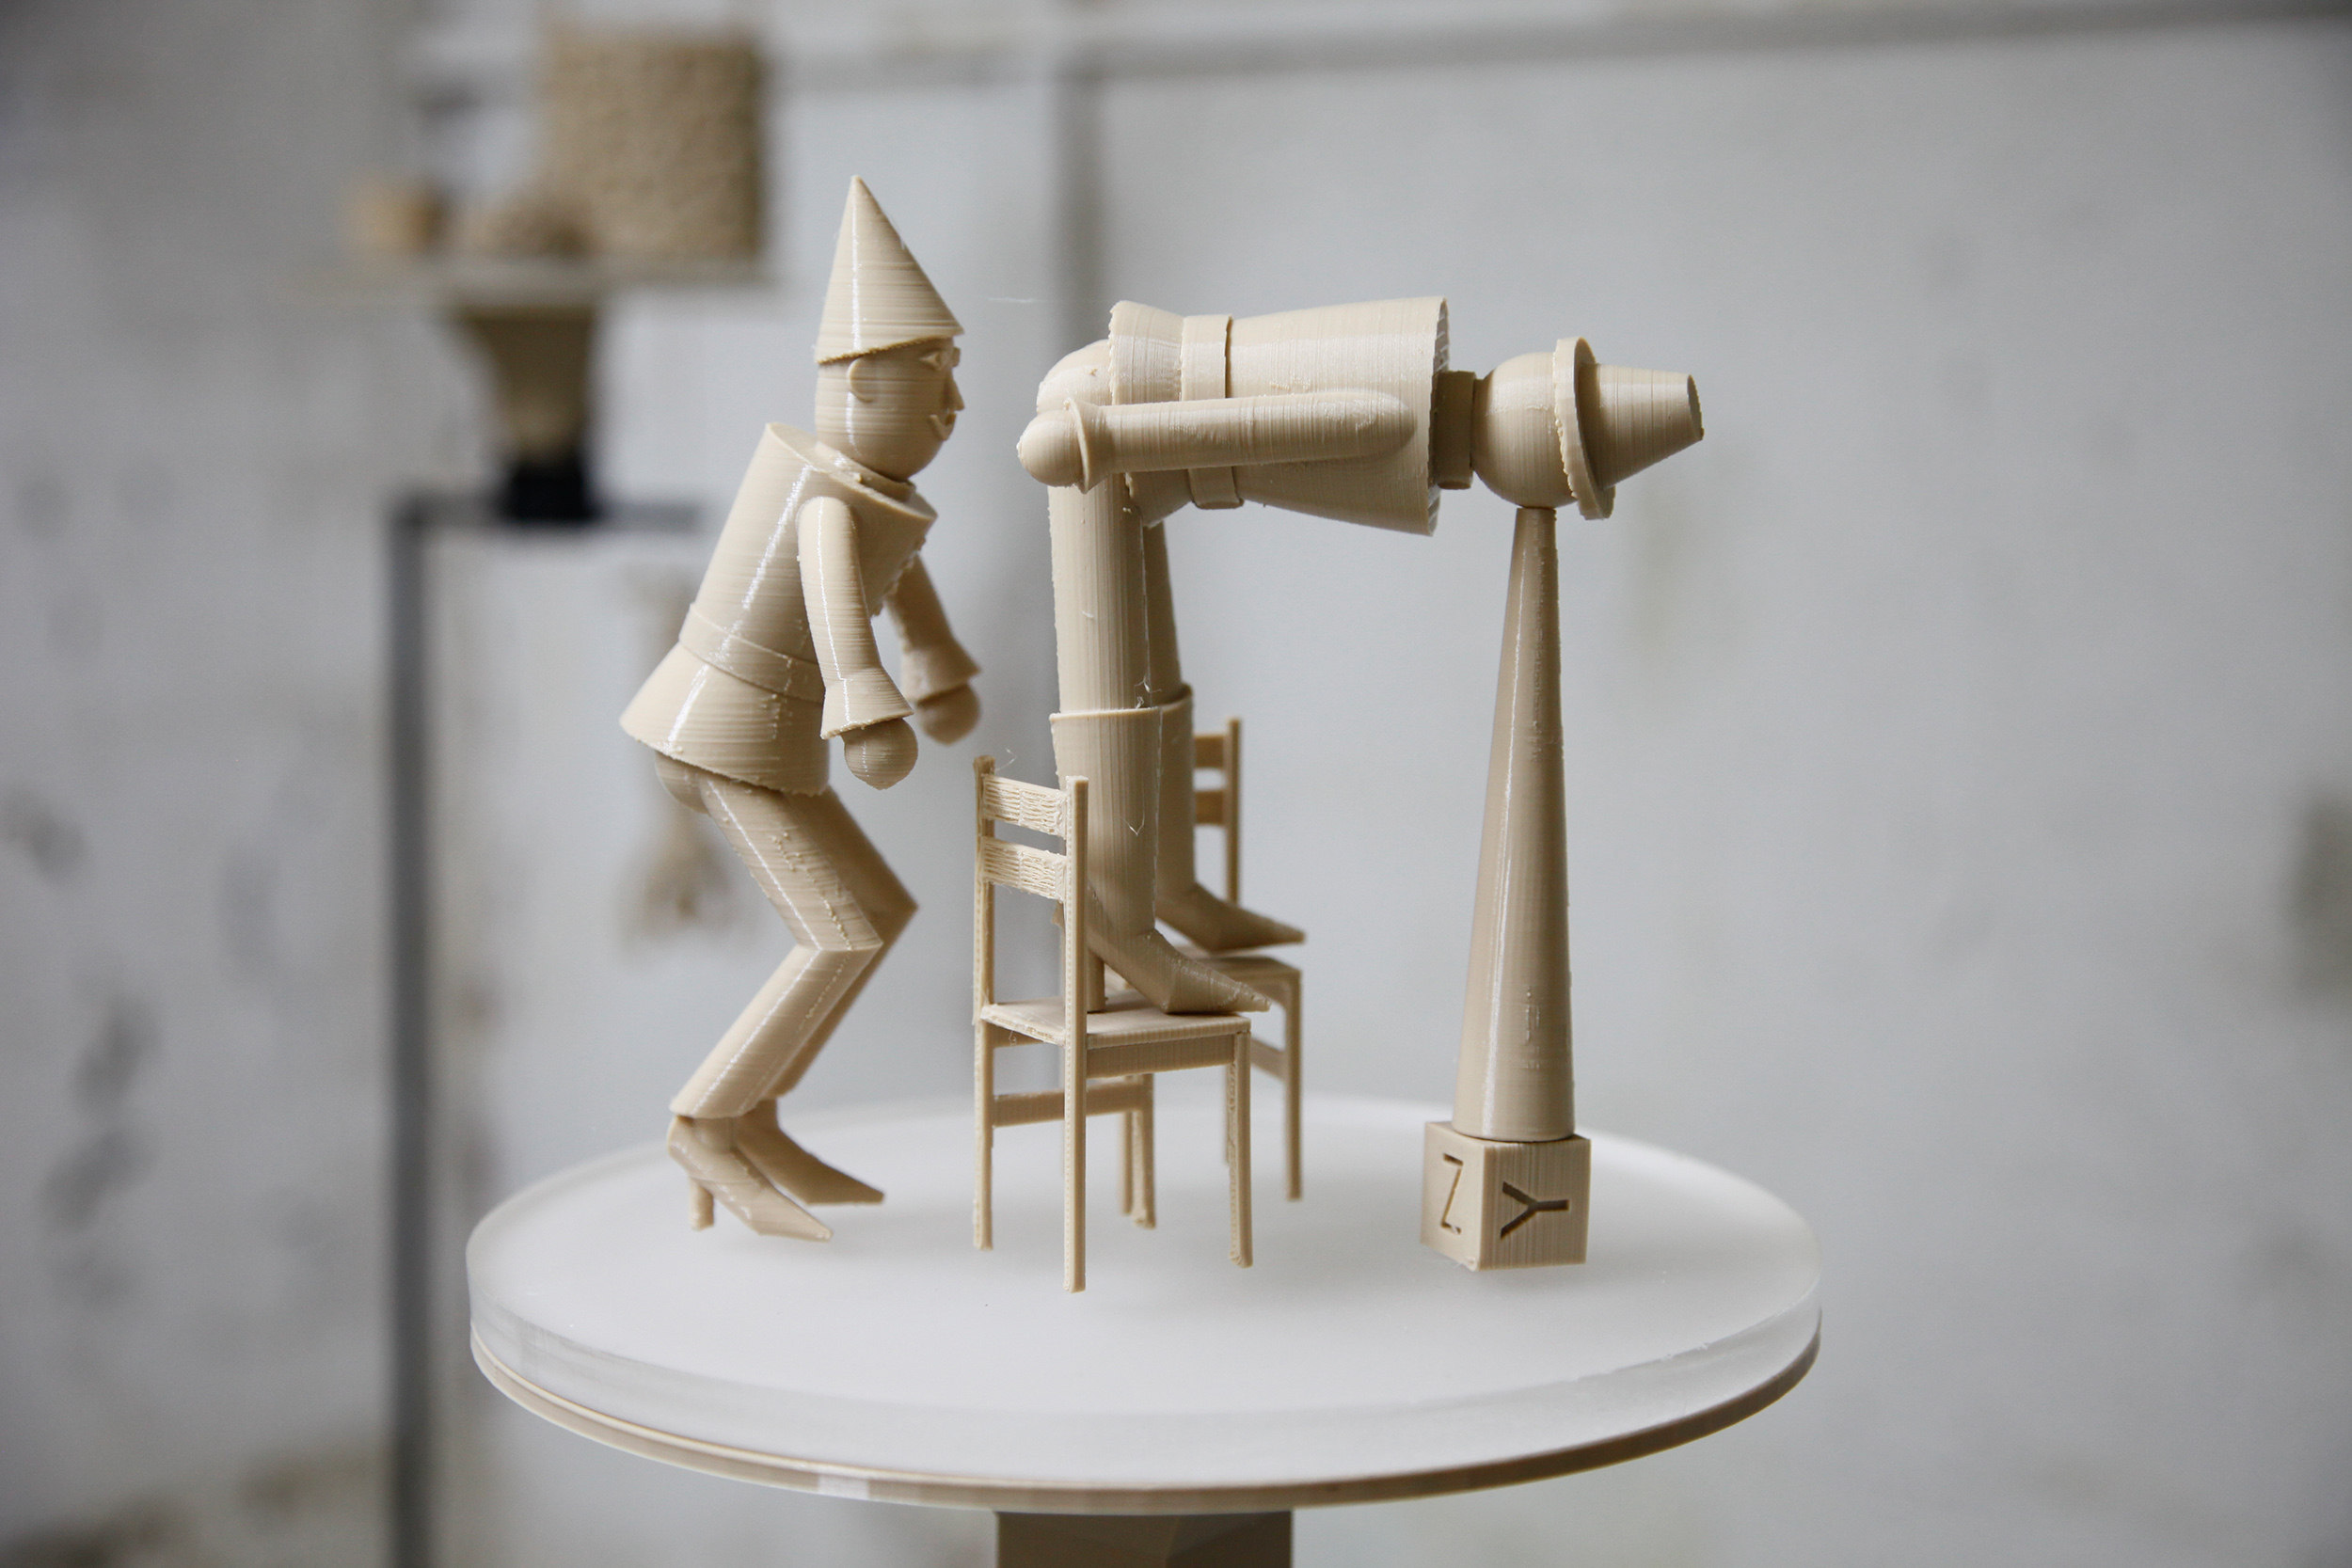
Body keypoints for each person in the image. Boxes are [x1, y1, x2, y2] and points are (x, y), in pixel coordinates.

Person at [621, 178, 978, 1239]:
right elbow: (834, 606)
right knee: (835, 932)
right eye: (933, 383)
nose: (953, 407)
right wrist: (866, 700)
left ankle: (758, 1116)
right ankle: (705, 1119)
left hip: (768, 742)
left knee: (878, 913)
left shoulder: (874, 500)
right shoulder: (821, 505)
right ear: (860, 385)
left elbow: (897, 579)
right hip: (725, 734)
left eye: (952, 380)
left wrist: (934, 656)